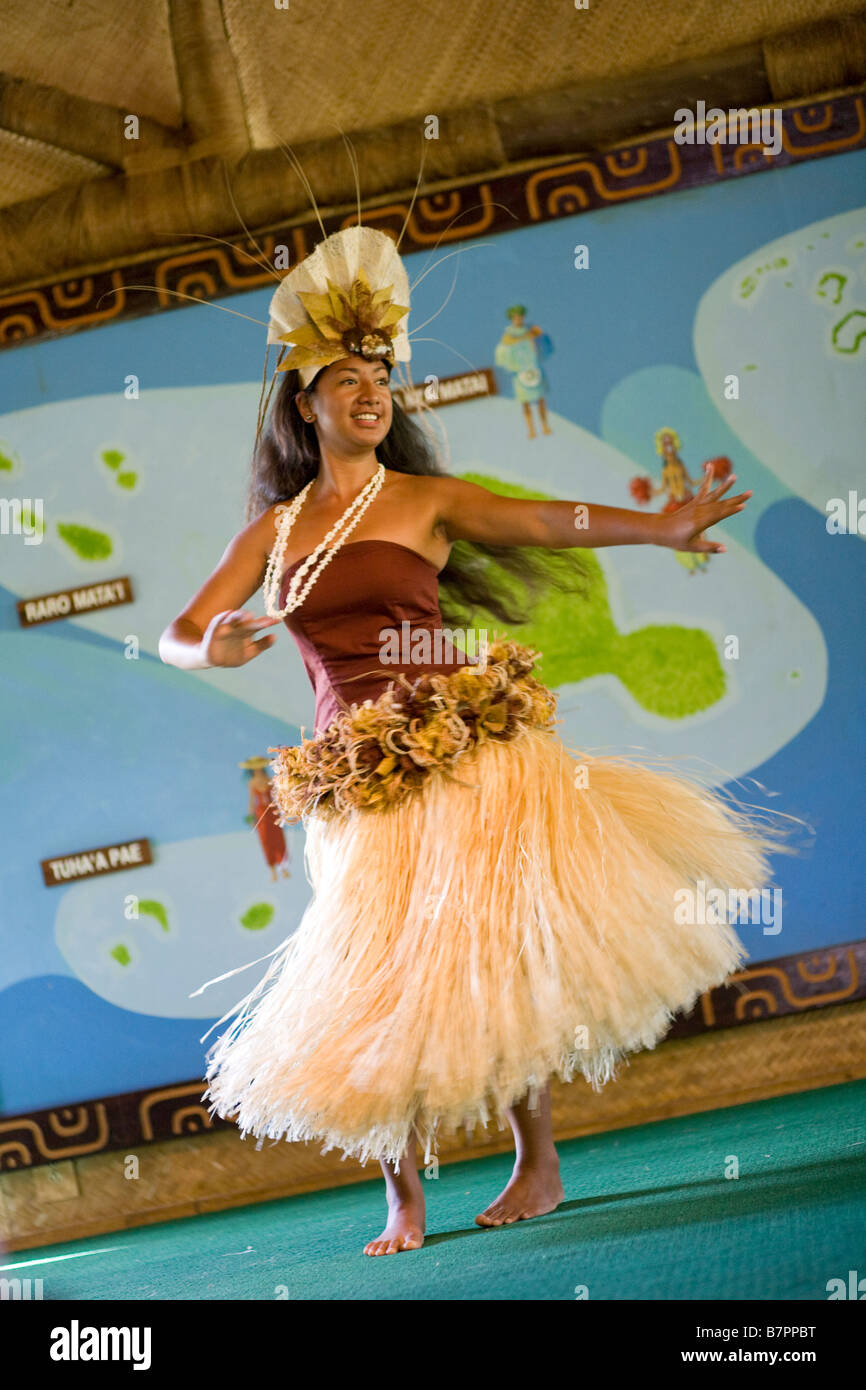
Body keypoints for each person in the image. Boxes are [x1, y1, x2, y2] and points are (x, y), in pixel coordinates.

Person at [159, 225, 790, 1257]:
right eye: (346, 379)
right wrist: (212, 649)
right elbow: (181, 631)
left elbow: (545, 523)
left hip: (462, 754)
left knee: (485, 953)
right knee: (376, 977)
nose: (370, 393)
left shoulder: (425, 500)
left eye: (380, 379)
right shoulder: (272, 533)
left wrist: (659, 528)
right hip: (355, 779)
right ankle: (402, 1198)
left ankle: (532, 1160)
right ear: (305, 403)